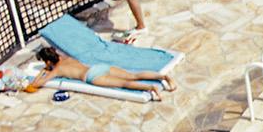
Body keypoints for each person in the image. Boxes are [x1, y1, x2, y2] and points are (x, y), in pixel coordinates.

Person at [33, 46, 173, 95]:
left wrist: (43, 71)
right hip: (98, 67)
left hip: (91, 76)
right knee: (133, 76)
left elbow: (36, 84)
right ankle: (164, 77)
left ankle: (151, 87)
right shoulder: (66, 58)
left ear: (48, 61)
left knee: (123, 84)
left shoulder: (57, 70)